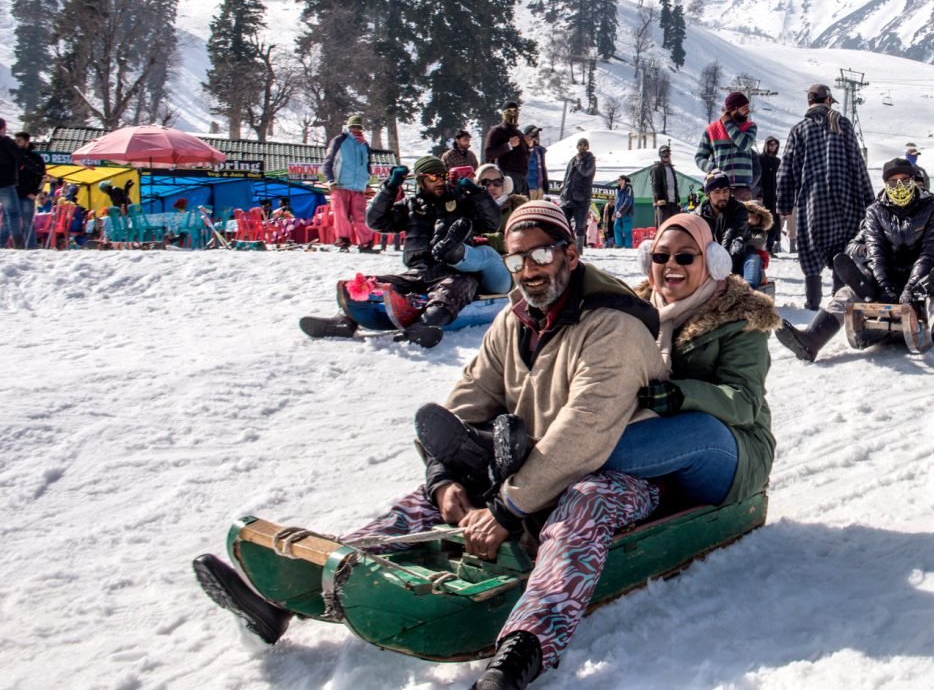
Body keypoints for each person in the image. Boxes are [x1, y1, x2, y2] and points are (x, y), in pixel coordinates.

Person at [196, 201, 668, 689]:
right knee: (438, 499)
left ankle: (519, 655)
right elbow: (470, 398)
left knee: (582, 506)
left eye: (541, 256)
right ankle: (282, 601)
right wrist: (443, 477)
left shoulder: (615, 326)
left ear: (570, 254)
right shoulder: (516, 319)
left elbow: (587, 428)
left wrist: (508, 508)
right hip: (532, 464)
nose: (528, 271)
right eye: (516, 260)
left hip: (620, 473)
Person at [607, 212, 777, 506]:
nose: (671, 265)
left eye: (685, 258)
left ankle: (565, 463)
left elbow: (745, 402)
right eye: (661, 257)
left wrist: (680, 395)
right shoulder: (635, 312)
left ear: (711, 262)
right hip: (652, 431)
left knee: (701, 428)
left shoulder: (740, 318)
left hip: (732, 448)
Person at [777, 157, 934, 369]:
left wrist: (911, 288)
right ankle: (811, 339)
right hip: (883, 276)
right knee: (846, 294)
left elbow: (930, 252)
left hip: (921, 278)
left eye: (904, 180)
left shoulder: (933, 209)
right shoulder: (875, 211)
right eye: (893, 182)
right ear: (886, 184)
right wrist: (884, 285)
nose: (899, 186)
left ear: (913, 180)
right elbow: (876, 252)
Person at [300, 155, 506, 347]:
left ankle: (425, 324)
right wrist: (390, 187)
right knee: (367, 283)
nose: (440, 181)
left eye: (443, 176)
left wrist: (478, 194)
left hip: (454, 270)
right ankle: (344, 320)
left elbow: (492, 223)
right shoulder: (410, 206)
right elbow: (375, 221)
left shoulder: (461, 202)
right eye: (433, 177)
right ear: (421, 181)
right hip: (418, 271)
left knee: (455, 287)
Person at [775, 82, 874, 310]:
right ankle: (838, 303)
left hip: (813, 201)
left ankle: (812, 304)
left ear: (809, 102)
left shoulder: (799, 129)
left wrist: (784, 204)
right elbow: (858, 166)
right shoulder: (843, 125)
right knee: (843, 251)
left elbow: (787, 169)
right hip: (846, 199)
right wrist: (870, 204)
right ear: (828, 100)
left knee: (811, 251)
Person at [439, 164, 531, 295]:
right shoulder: (469, 208)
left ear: (505, 184)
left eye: (497, 182)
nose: (492, 187)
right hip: (471, 274)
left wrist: (487, 239)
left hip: (506, 272)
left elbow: (521, 239)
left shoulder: (517, 209)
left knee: (487, 253)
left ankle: (454, 254)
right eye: (485, 182)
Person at [321, 114, 376, 253]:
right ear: (348, 127)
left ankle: (366, 243)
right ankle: (343, 241)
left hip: (358, 187)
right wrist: (331, 181)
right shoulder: (339, 141)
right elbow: (328, 162)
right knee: (341, 214)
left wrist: (367, 182)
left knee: (361, 216)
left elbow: (367, 165)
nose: (356, 130)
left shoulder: (364, 145)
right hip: (340, 185)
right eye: (353, 127)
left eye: (359, 127)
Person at [695, 91, 758, 200]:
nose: (748, 111)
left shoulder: (750, 126)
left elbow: (744, 144)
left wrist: (728, 124)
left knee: (742, 217)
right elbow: (699, 157)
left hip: (742, 189)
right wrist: (712, 168)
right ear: (734, 109)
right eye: (745, 108)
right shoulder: (711, 130)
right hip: (719, 187)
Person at [693, 171, 750, 278]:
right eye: (717, 192)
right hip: (711, 258)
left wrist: (719, 264)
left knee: (739, 248)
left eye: (725, 191)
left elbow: (730, 235)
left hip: (738, 257)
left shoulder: (738, 209)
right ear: (708, 194)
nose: (722, 196)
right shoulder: (700, 213)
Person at [485, 102, 531, 195]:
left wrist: (529, 146)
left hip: (521, 178)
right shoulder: (497, 131)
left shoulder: (518, 133)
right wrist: (508, 145)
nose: (513, 114)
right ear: (503, 114)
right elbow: (489, 153)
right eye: (509, 111)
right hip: (505, 176)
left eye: (515, 111)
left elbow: (524, 157)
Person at [12, 129, 46, 249]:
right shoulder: (12, 157)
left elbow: (43, 177)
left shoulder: (36, 158)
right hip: (12, 193)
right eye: (15, 141)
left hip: (27, 195)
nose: (16, 143)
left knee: (27, 222)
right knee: (9, 222)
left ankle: (31, 247)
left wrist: (35, 192)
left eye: (19, 141)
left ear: (27, 142)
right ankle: (13, 247)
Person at [560, 138, 596, 246]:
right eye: (580, 145)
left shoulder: (590, 160)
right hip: (568, 196)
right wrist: (564, 188)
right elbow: (567, 176)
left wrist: (580, 161)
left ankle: (579, 249)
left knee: (580, 226)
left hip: (582, 198)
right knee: (563, 220)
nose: (582, 147)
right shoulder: (573, 159)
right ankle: (570, 243)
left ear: (588, 147)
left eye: (585, 145)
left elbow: (586, 172)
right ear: (577, 146)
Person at [0, 118, 23, 248]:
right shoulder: (6, 141)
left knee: (6, 216)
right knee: (13, 213)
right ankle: (18, 244)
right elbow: (20, 156)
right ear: (2, 128)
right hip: (5, 183)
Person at [759, 136, 782, 254]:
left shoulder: (778, 161)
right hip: (762, 196)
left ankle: (770, 248)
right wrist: (759, 193)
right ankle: (761, 248)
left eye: (775, 144)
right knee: (762, 222)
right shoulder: (760, 159)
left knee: (774, 223)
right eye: (770, 144)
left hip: (775, 197)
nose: (773, 147)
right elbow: (758, 178)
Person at [650, 144, 682, 227]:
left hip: (674, 203)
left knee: (675, 226)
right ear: (660, 155)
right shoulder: (657, 168)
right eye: (664, 153)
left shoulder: (671, 168)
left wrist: (678, 200)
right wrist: (658, 199)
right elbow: (655, 184)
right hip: (663, 203)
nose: (666, 155)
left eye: (668, 153)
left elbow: (675, 186)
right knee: (664, 227)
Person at [523, 126, 548, 200]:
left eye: (538, 134)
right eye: (534, 134)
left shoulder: (539, 151)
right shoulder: (524, 149)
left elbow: (542, 168)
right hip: (529, 189)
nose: (537, 137)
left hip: (539, 188)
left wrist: (545, 182)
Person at [611, 174, 635, 248]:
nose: (618, 181)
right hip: (618, 213)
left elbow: (628, 202)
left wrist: (620, 211)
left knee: (627, 230)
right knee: (616, 228)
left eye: (619, 180)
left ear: (624, 181)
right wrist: (614, 214)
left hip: (626, 213)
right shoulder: (617, 190)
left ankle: (628, 246)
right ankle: (619, 245)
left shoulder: (628, 189)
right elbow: (617, 202)